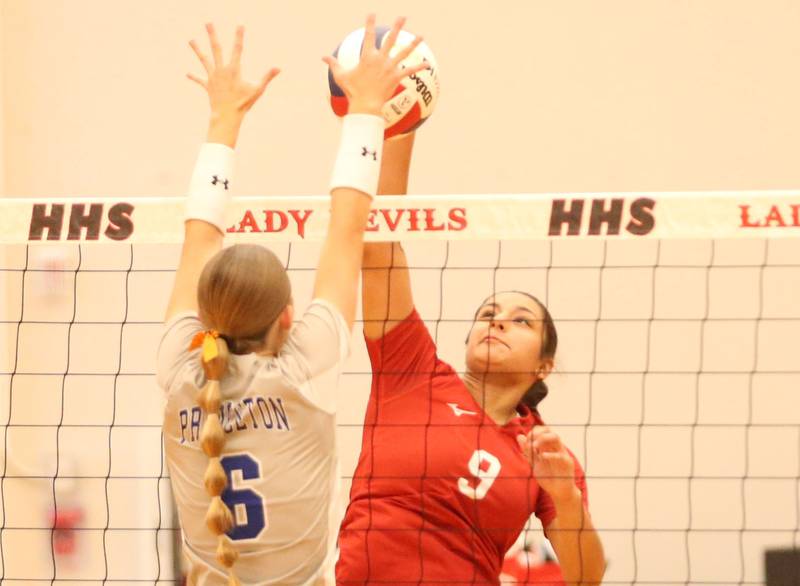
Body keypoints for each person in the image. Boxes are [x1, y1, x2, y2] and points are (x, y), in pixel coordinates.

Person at [156, 18, 429, 586]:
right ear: (288, 317)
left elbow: (203, 236)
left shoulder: (182, 371)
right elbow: (350, 226)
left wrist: (222, 120)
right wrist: (370, 111)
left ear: (204, 318)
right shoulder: (296, 373)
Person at [336, 132, 606, 586]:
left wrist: (565, 494)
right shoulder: (412, 370)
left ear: (545, 365)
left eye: (521, 322)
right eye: (488, 314)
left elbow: (586, 579)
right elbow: (378, 245)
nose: (497, 322)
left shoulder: (542, 452)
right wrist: (400, 130)